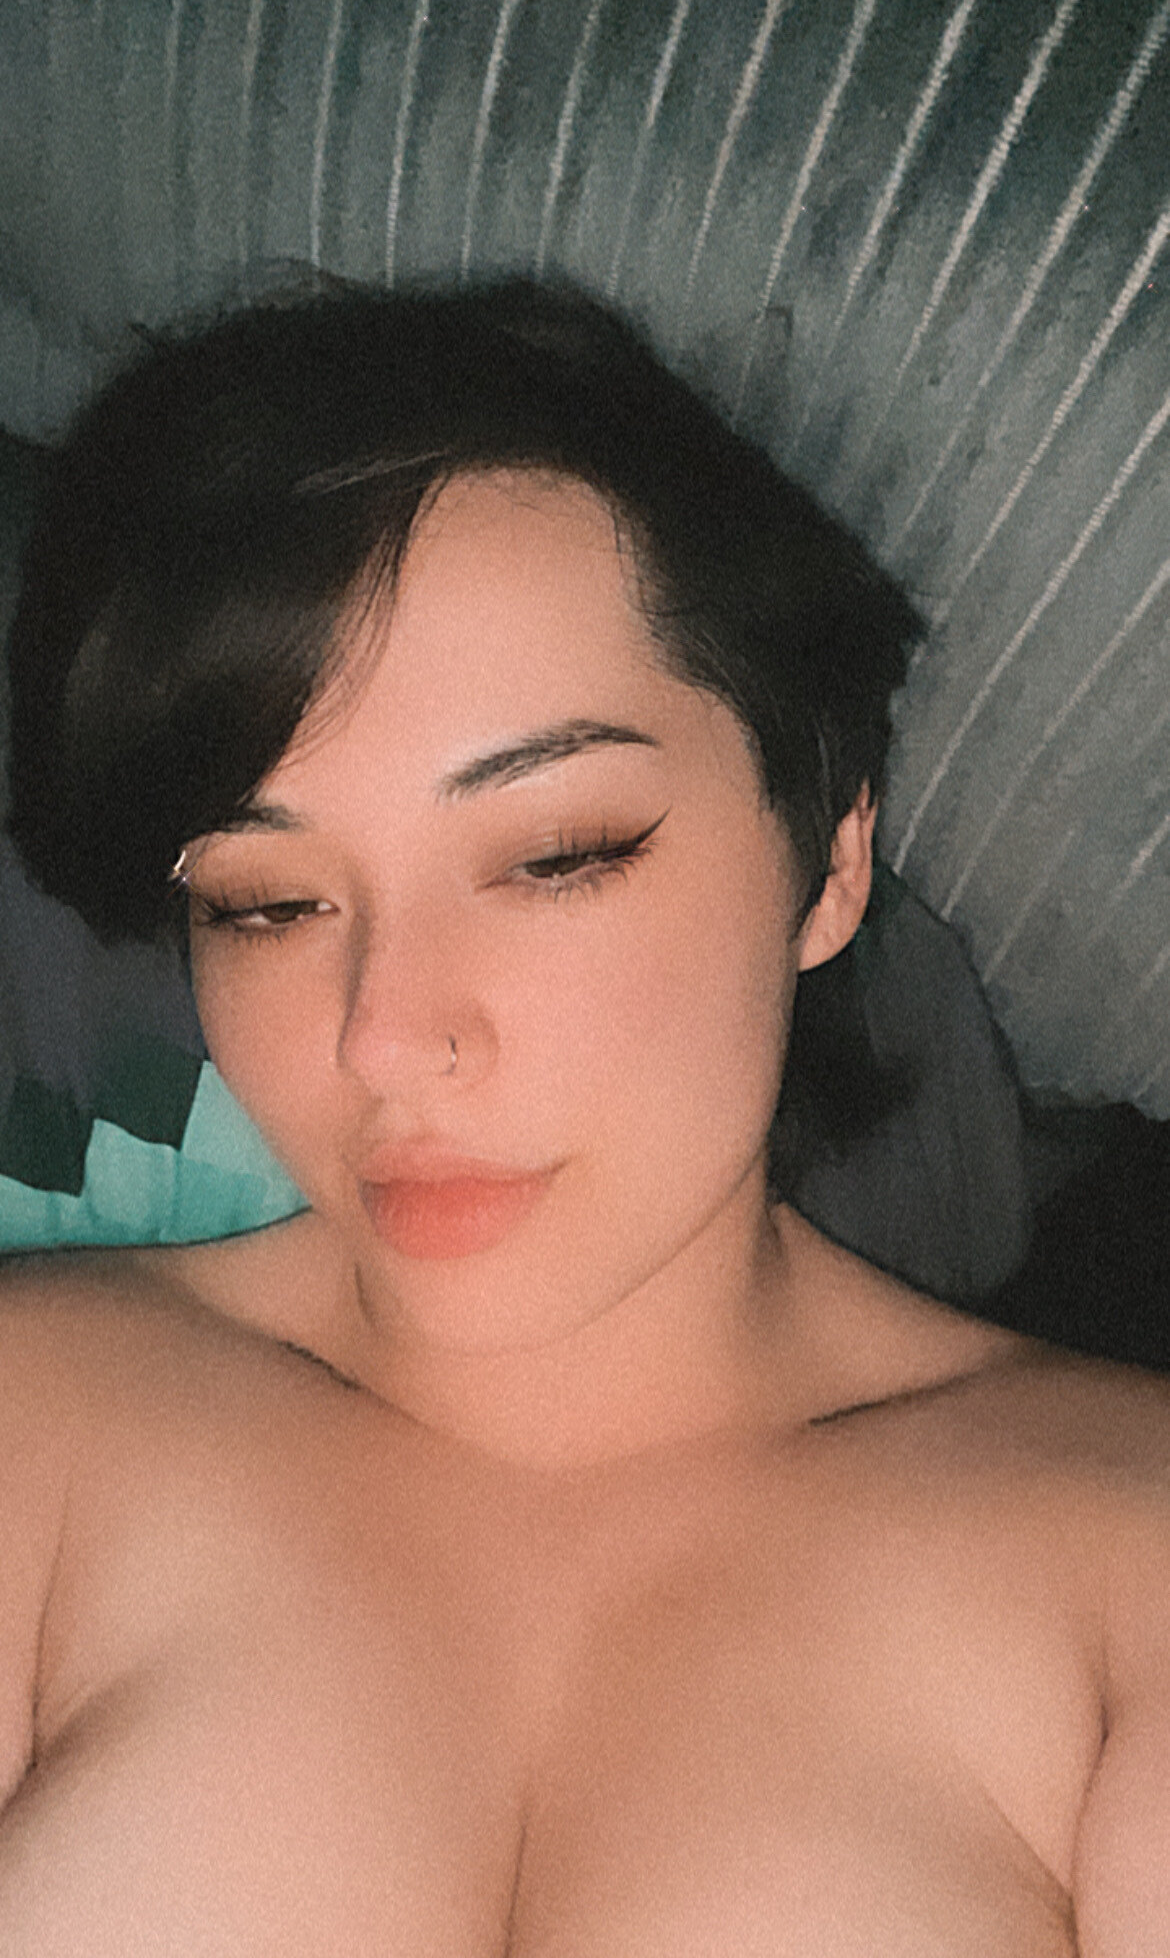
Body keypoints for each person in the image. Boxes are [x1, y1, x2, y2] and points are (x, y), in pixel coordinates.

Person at [1, 275, 1166, 1955]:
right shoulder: (40, 1419)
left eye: (555, 858)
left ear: (829, 860)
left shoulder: (1125, 1548)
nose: (387, 1037)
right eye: (266, 901)